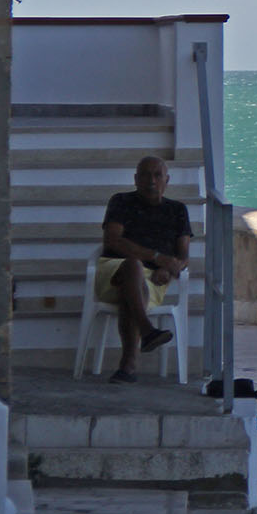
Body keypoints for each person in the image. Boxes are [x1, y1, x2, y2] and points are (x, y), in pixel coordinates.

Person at [97, 156, 191, 384]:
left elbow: (183, 258)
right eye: (145, 175)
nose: (151, 180)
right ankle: (146, 330)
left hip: (152, 281)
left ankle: (128, 368)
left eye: (157, 175)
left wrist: (168, 271)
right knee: (132, 266)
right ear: (136, 179)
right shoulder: (120, 202)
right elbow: (113, 241)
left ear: (166, 180)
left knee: (133, 290)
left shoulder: (177, 210)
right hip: (112, 271)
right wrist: (158, 258)